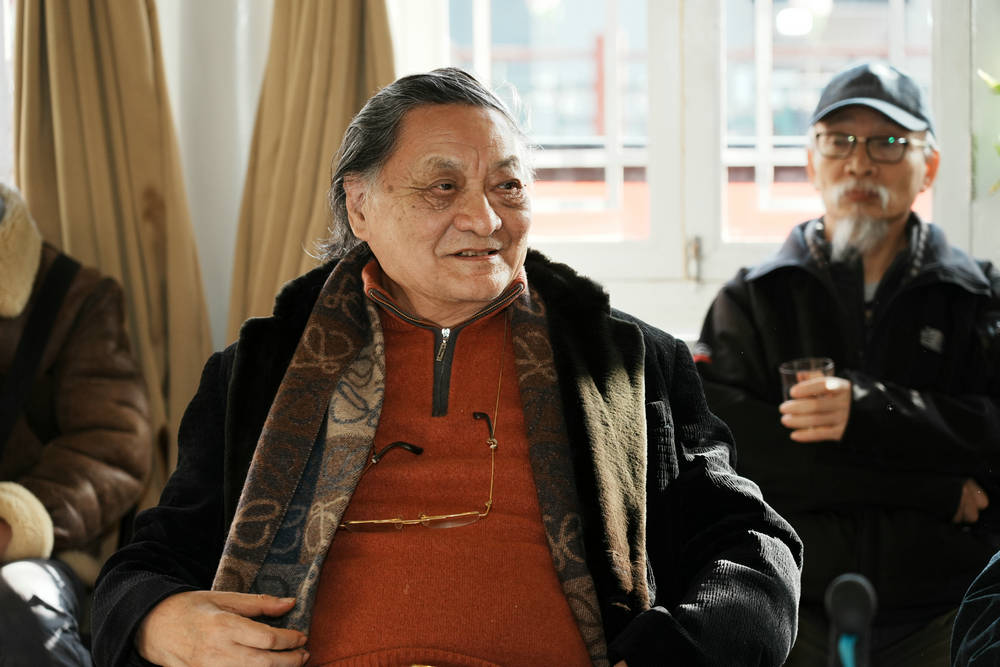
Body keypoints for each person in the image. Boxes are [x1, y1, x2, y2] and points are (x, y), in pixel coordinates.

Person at [91, 67, 802, 667]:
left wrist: (681, 651)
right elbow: (145, 564)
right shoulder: (260, 372)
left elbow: (754, 547)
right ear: (359, 206)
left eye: (508, 187)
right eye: (442, 187)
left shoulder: (625, 366)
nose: (485, 220)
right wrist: (162, 621)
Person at [694, 62, 1000, 666]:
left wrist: (870, 408)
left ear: (929, 166)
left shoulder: (978, 298)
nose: (860, 163)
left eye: (889, 142)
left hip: (949, 609)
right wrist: (933, 490)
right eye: (840, 141)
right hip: (786, 605)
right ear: (812, 161)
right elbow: (727, 459)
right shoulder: (752, 300)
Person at [0, 182, 153, 665]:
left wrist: (11, 522)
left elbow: (113, 447)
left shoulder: (72, 296)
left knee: (16, 612)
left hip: (32, 554)